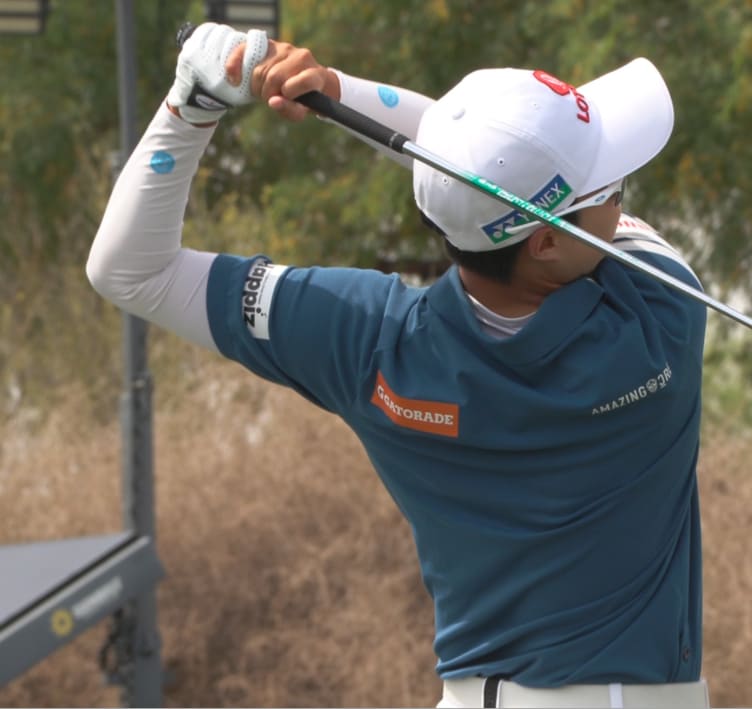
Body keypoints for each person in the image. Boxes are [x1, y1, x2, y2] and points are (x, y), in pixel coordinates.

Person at [87, 22, 708, 709]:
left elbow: (128, 268)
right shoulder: (661, 311)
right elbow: (469, 177)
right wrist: (337, 90)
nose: (619, 196)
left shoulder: (370, 340)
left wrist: (193, 103)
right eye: (610, 190)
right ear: (542, 243)